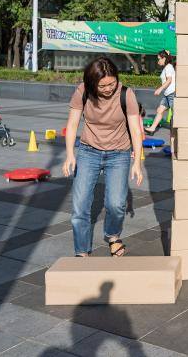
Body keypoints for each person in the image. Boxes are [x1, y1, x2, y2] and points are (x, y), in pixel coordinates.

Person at [62, 56, 144, 257]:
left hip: (119, 153)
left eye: (112, 83)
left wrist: (137, 162)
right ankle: (82, 251)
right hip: (89, 151)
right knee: (80, 206)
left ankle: (112, 235)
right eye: (103, 85)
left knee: (116, 204)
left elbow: (135, 129)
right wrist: (70, 154)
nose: (108, 89)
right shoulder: (83, 92)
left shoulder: (127, 94)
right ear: (92, 83)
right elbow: (72, 124)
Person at [145, 50, 176, 134]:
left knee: (176, 114)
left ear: (164, 58)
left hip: (172, 94)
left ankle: (179, 132)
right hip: (167, 95)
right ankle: (152, 129)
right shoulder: (166, 67)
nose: (158, 61)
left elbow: (169, 80)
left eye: (159, 59)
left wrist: (160, 89)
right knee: (160, 110)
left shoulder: (168, 67)